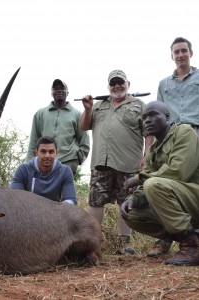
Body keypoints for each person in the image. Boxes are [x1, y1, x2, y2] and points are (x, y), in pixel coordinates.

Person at [79, 70, 154, 254]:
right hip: (100, 163)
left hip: (128, 163)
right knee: (96, 201)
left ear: (128, 83)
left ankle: (124, 243)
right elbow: (83, 126)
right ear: (108, 86)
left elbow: (149, 133)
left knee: (126, 201)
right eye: (113, 83)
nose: (117, 86)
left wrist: (147, 155)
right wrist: (87, 108)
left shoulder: (139, 105)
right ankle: (92, 241)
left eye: (120, 82)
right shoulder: (97, 105)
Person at [121, 101, 199, 266]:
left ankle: (193, 247)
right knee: (132, 214)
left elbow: (178, 172)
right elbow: (146, 186)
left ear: (167, 116)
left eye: (153, 115)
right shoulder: (152, 151)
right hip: (181, 203)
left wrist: (137, 178)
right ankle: (191, 237)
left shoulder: (184, 132)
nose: (147, 120)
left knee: (154, 185)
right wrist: (133, 199)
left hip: (195, 197)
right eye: (144, 117)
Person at [152, 37, 199, 257]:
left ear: (191, 52)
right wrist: (150, 150)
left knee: (193, 184)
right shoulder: (164, 84)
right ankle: (164, 240)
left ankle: (194, 238)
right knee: (166, 181)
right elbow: (156, 115)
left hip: (198, 133)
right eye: (176, 52)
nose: (180, 55)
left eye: (184, 51)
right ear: (171, 56)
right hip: (172, 137)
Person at [26, 79, 90, 176]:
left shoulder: (77, 114)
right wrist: (29, 164)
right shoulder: (40, 114)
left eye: (62, 88)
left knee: (65, 191)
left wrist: (76, 159)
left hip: (67, 162)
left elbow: (84, 142)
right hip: (43, 162)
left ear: (67, 92)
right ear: (52, 93)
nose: (59, 90)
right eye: (55, 89)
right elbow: (34, 141)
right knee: (39, 190)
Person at [10, 136, 77, 205]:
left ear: (56, 153)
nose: (47, 156)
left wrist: (61, 207)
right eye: (43, 152)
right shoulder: (23, 169)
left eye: (51, 152)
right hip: (28, 210)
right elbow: (13, 196)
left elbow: (71, 201)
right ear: (36, 152)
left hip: (55, 212)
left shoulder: (65, 171)